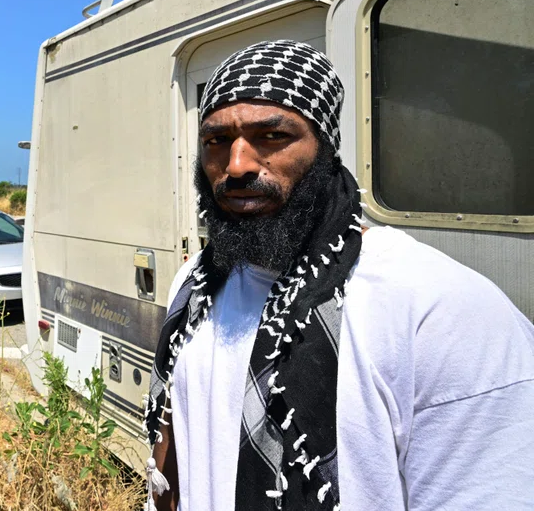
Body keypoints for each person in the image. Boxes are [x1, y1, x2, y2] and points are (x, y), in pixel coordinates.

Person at [142, 40, 534, 510]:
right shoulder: (195, 283)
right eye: (216, 141)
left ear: (326, 150)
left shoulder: (441, 309)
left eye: (272, 136)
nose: (238, 164)